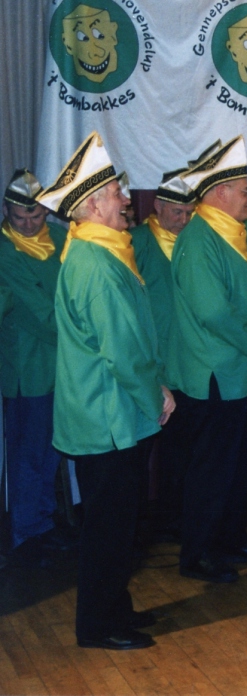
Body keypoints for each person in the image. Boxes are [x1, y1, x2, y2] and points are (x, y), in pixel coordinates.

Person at [38, 132, 174, 650]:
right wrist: (157, 396)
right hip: (108, 418)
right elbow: (122, 351)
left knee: (117, 522)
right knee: (109, 527)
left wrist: (153, 384)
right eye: (117, 192)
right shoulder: (97, 262)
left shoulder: (100, 251)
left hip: (111, 414)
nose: (126, 200)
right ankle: (97, 626)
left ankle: (114, 607)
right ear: (93, 205)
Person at [172, 136, 247, 583]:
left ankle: (231, 538)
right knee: (213, 469)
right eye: (245, 190)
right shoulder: (200, 239)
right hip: (217, 373)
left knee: (239, 464)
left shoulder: (229, 234)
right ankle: (199, 554)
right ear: (220, 193)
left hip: (241, 372)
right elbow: (213, 311)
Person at [0, 170, 68, 567]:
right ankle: (27, 533)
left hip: (62, 363)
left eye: (36, 216)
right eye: (19, 217)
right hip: (28, 365)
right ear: (6, 210)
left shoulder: (59, 238)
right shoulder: (5, 250)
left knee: (51, 449)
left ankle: (43, 523)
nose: (28, 224)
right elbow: (39, 312)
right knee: (28, 454)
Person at [130, 167, 195, 542]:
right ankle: (136, 528)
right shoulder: (137, 241)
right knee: (140, 450)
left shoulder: (195, 242)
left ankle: (174, 518)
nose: (183, 220)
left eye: (189, 213)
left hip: (185, 364)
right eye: (176, 212)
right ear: (157, 206)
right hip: (150, 365)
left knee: (180, 448)